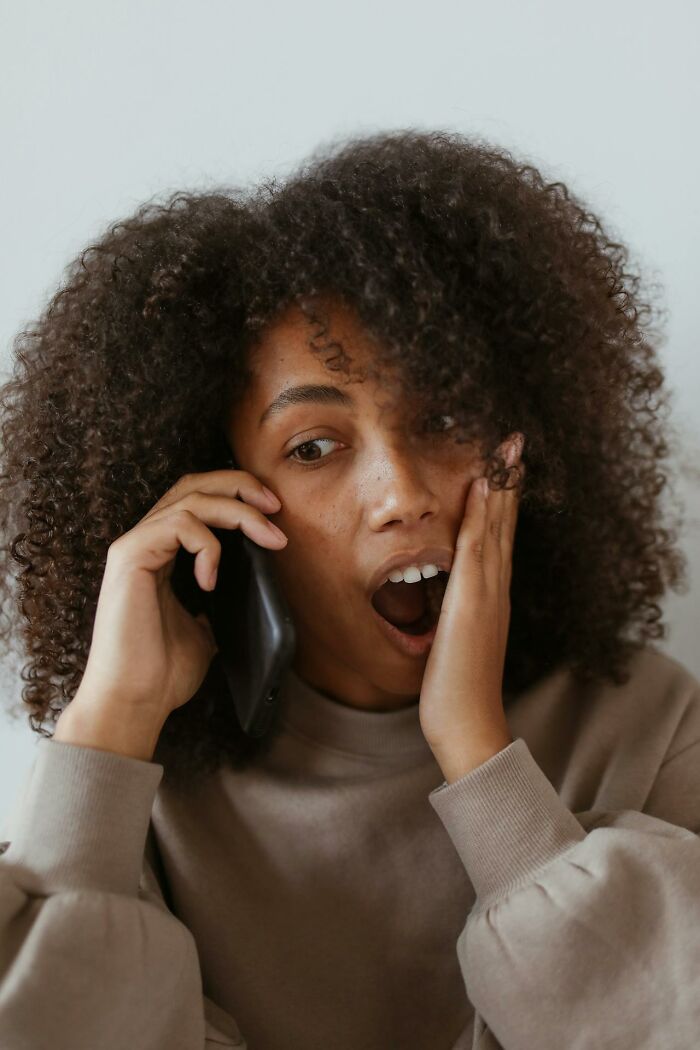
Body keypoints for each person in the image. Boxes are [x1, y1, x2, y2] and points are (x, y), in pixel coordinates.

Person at [0, 128, 698, 1050]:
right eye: (314, 448)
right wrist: (110, 723)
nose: (402, 495)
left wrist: (480, 757)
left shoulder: (649, 726)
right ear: (220, 497)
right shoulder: (142, 794)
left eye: (443, 418)